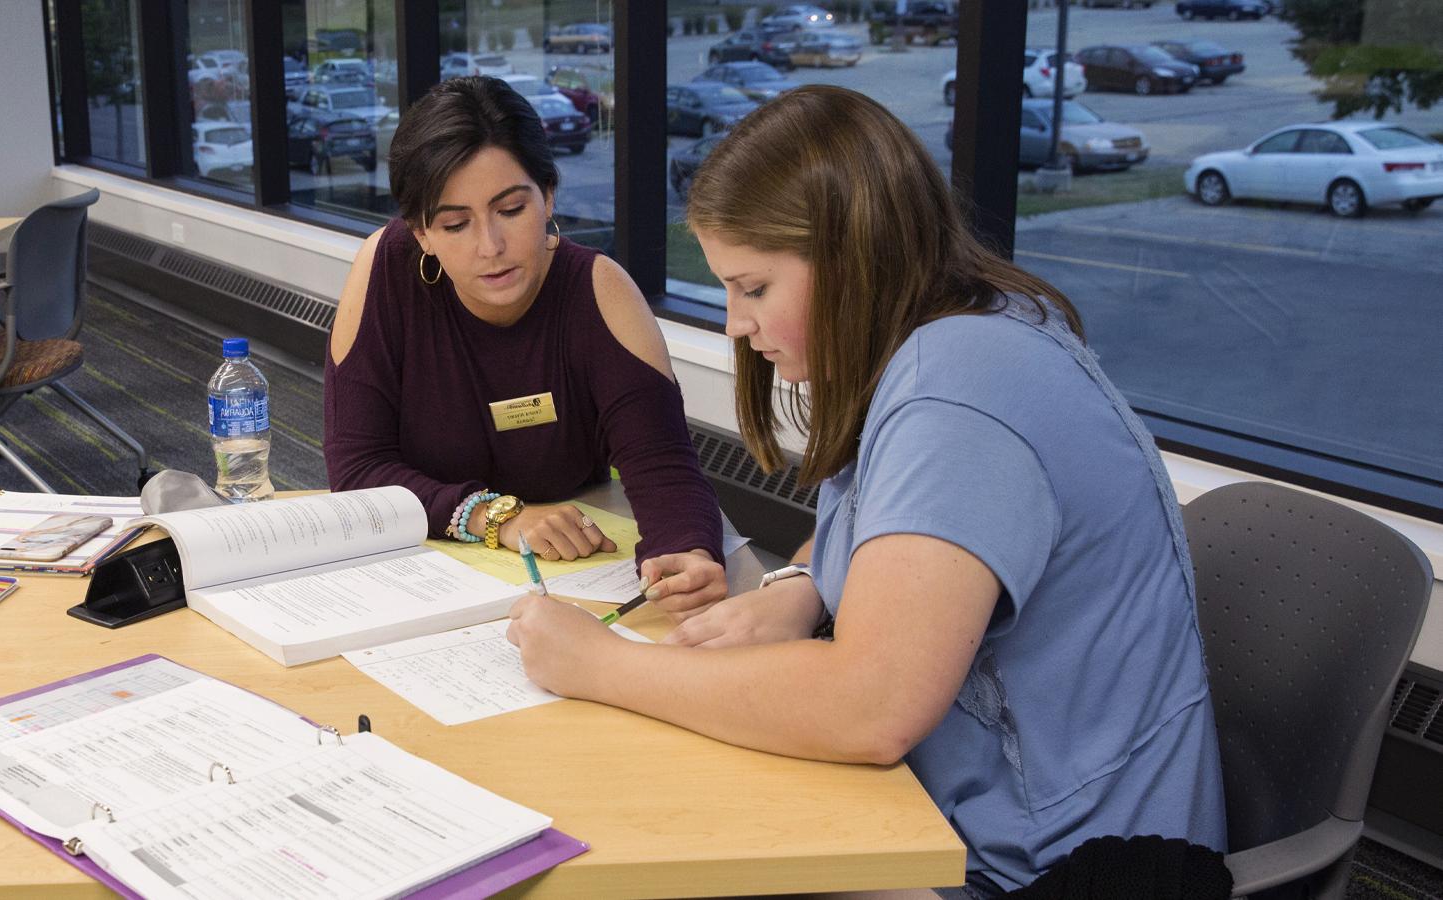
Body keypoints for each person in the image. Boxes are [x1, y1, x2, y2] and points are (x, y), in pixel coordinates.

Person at [504, 85, 1226, 897]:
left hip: (1055, 865)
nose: (736, 323)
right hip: (1000, 812)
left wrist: (600, 665)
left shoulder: (960, 393)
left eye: (754, 288)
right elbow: (886, 525)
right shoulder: (963, 331)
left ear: (851, 258)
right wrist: (802, 587)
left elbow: (871, 706)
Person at [324, 76, 727, 606]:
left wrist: (687, 553)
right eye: (454, 224)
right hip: (416, 574)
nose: (490, 247)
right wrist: (496, 516)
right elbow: (356, 471)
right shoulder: (384, 269)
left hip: (570, 574)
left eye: (511, 210)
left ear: (548, 195)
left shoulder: (599, 289)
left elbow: (663, 465)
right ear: (420, 232)